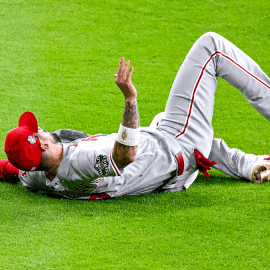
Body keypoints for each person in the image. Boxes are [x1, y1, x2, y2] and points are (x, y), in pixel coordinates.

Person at [1, 32, 270, 200]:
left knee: (163, 119)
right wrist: (129, 99)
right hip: (179, 144)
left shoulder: (34, 174)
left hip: (167, 164)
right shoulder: (79, 164)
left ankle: (248, 164)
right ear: (44, 145)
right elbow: (124, 156)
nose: (42, 129)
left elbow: (11, 167)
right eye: (37, 134)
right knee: (212, 47)